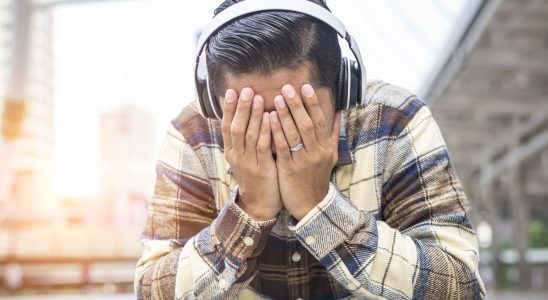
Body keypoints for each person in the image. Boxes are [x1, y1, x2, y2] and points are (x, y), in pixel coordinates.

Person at [134, 0, 486, 299]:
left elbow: (462, 286)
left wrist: (320, 205)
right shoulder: (196, 131)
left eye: (296, 112)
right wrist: (251, 209)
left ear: (344, 89)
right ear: (213, 103)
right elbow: (152, 290)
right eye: (249, 114)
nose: (274, 134)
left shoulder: (395, 120)